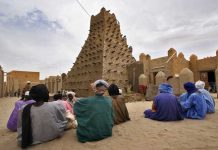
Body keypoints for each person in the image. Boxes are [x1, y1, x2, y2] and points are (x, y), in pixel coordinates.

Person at [17, 84, 67, 148]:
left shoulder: (24, 109)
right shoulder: (55, 105)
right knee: (64, 122)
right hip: (52, 134)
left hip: (33, 139)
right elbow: (62, 118)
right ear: (46, 94)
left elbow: (20, 127)